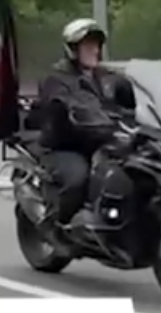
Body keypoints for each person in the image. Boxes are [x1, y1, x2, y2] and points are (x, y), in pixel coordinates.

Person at [35, 18, 133, 231]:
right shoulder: (57, 79)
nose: (94, 50)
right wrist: (73, 109)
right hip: (66, 145)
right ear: (72, 49)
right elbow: (62, 101)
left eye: (96, 45)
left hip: (101, 139)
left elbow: (132, 95)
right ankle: (57, 227)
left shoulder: (106, 76)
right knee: (77, 179)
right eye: (88, 46)